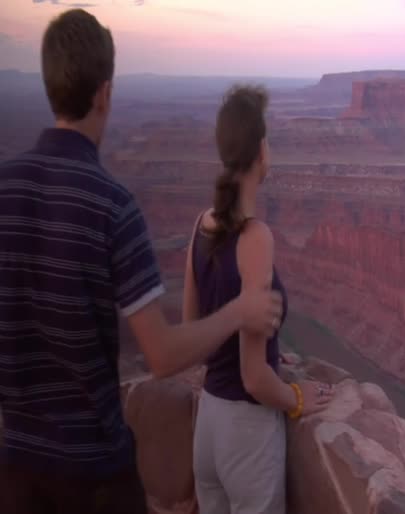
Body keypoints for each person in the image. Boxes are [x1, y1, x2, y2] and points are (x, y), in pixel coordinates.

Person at [0, 9, 283, 514]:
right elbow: (162, 357)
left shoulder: (6, 186)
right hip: (94, 474)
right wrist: (240, 313)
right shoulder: (111, 204)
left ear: (49, 86)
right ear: (105, 93)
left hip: (17, 466)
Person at [182, 85, 334, 514]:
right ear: (261, 150)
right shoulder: (255, 237)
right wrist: (298, 398)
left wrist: (269, 351)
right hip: (247, 433)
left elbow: (196, 331)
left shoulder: (201, 224)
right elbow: (252, 378)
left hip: (208, 429)